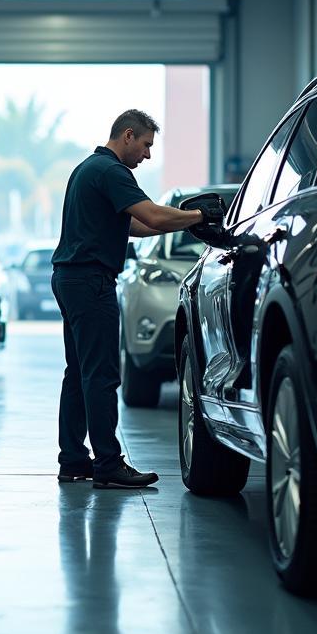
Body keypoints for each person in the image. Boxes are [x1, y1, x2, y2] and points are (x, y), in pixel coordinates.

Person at [51, 109, 224, 489]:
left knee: (79, 374)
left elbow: (134, 224)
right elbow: (155, 216)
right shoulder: (112, 171)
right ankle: (108, 465)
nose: (146, 155)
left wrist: (189, 223)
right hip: (90, 281)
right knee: (101, 375)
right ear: (127, 136)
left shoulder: (88, 169)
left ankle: (74, 461)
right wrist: (197, 214)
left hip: (70, 278)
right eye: (145, 145)